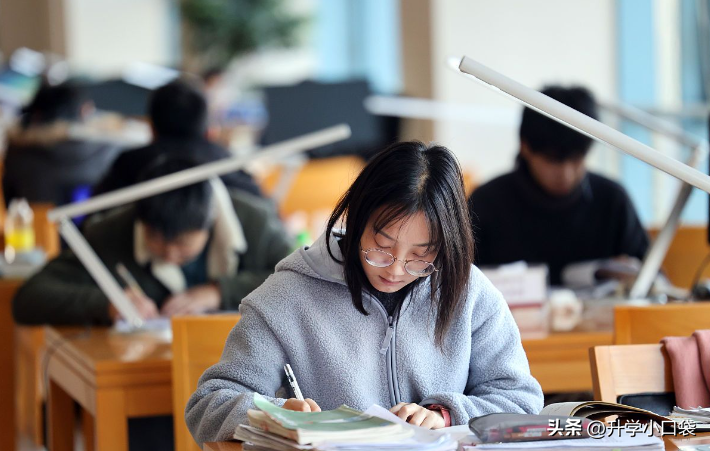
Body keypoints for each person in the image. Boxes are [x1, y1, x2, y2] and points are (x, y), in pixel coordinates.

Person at [185, 141, 543, 445]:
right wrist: (275, 415)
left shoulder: (469, 292)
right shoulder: (285, 298)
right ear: (356, 218)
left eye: (421, 255)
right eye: (381, 247)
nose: (396, 269)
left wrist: (447, 414)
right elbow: (207, 406)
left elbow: (521, 400)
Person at [12, 158, 293, 325]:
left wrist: (220, 292)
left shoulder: (255, 222)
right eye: (155, 239)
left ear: (210, 223)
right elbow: (30, 297)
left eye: (183, 244)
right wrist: (108, 303)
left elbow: (299, 284)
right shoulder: (110, 232)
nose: (169, 253)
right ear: (141, 221)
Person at [468, 85, 649, 286]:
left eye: (577, 159)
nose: (566, 174)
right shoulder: (487, 203)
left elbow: (652, 278)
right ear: (525, 147)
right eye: (552, 160)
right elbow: (460, 284)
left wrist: (631, 274)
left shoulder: (612, 200)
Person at [93, 79, 262, 197]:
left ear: (151, 128)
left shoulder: (127, 165)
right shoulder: (227, 164)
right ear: (209, 130)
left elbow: (91, 222)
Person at [2, 82, 121, 205]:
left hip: (24, 216)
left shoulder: (16, 147)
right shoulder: (98, 151)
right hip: (75, 216)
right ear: (83, 111)